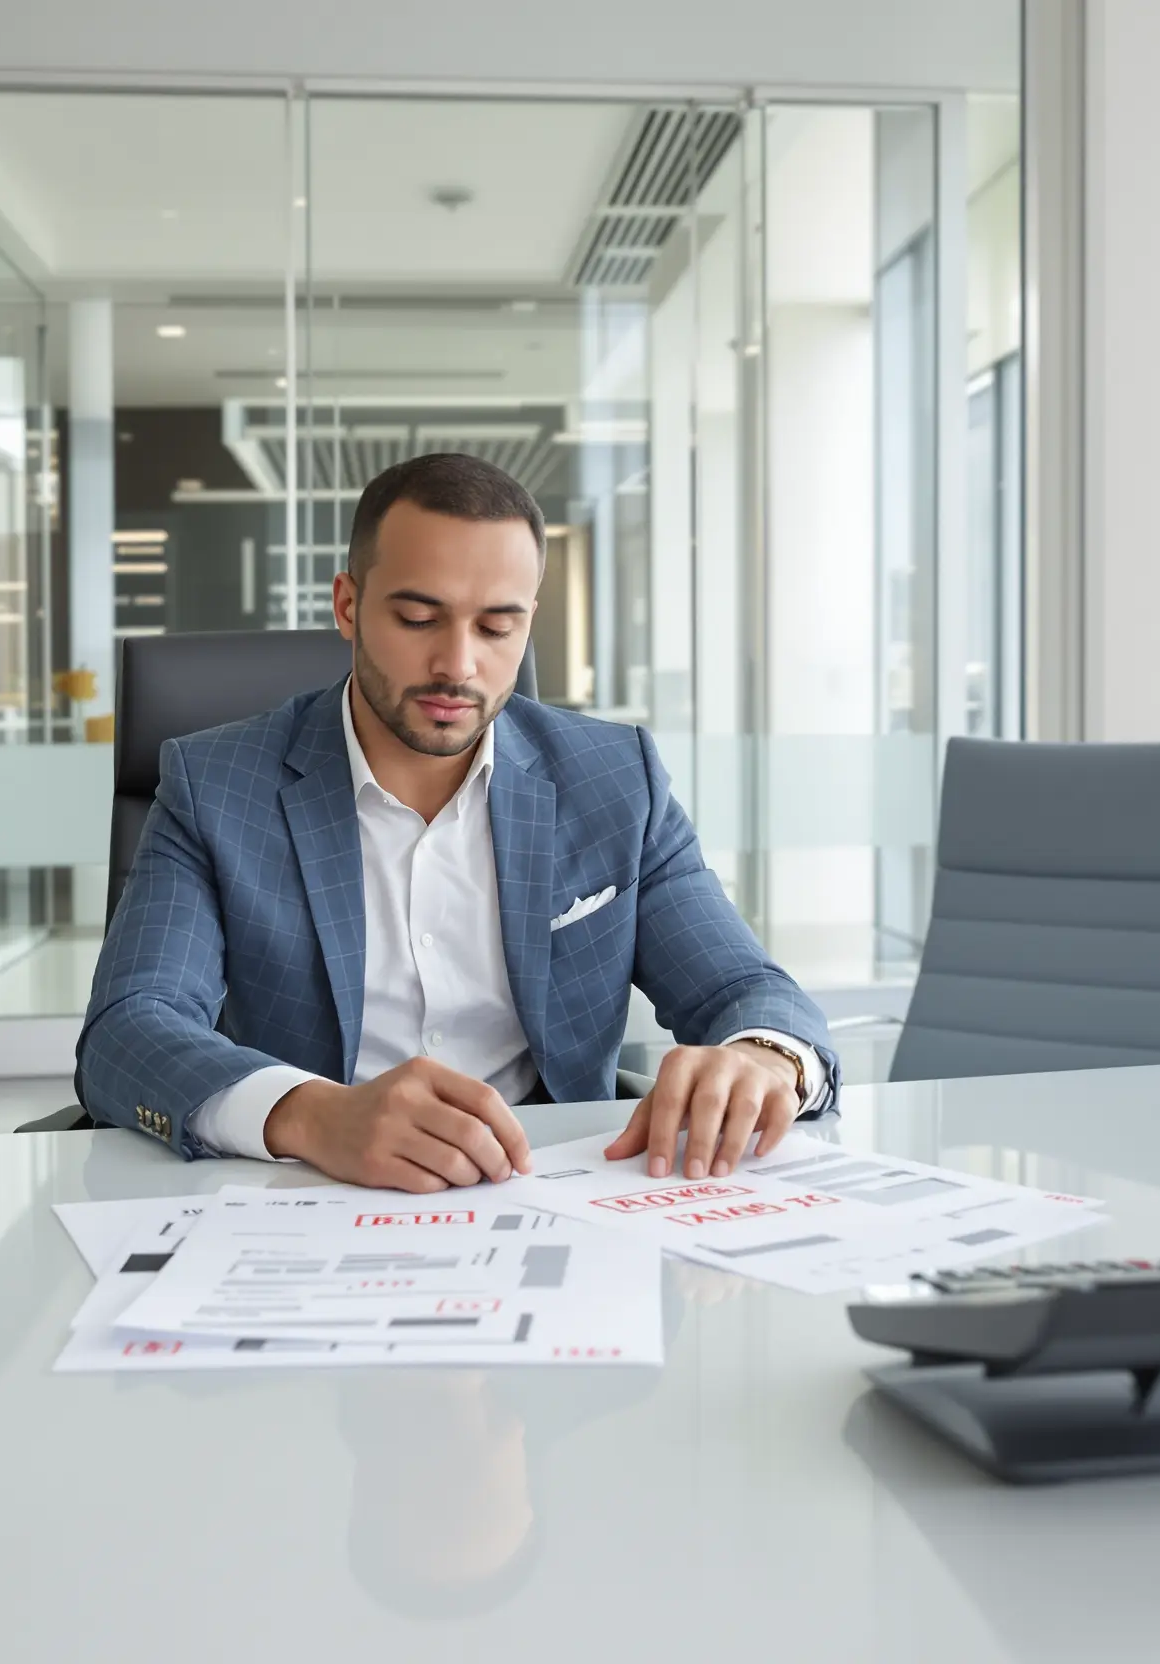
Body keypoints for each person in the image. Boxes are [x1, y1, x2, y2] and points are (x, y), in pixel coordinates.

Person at [75, 452, 838, 1192]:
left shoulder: (613, 780)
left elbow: (744, 987)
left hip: (553, 1197)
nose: (458, 664)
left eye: (497, 628)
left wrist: (763, 1060)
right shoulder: (217, 786)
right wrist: (314, 1117)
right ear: (348, 606)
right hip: (308, 1197)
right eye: (417, 617)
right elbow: (130, 1029)